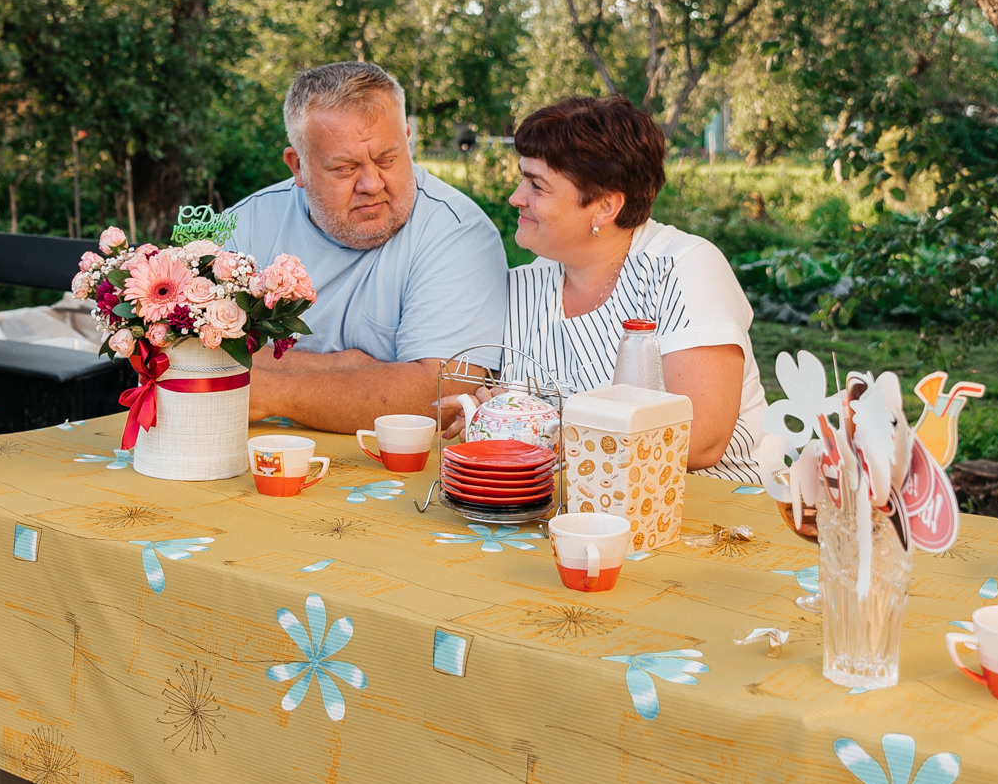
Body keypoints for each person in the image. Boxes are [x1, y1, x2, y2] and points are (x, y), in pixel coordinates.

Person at [503, 95, 774, 489]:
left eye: (537, 186)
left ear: (604, 206)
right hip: (571, 512)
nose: (516, 197)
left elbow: (699, 441)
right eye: (522, 177)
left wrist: (538, 430)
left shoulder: (682, 268)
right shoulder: (524, 285)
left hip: (714, 514)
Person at [229, 62, 508, 433]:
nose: (372, 183)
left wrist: (269, 391)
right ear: (298, 166)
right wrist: (351, 365)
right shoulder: (244, 224)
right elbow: (180, 351)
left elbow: (444, 394)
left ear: (407, 140)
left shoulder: (458, 233)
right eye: (345, 168)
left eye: (388, 159)